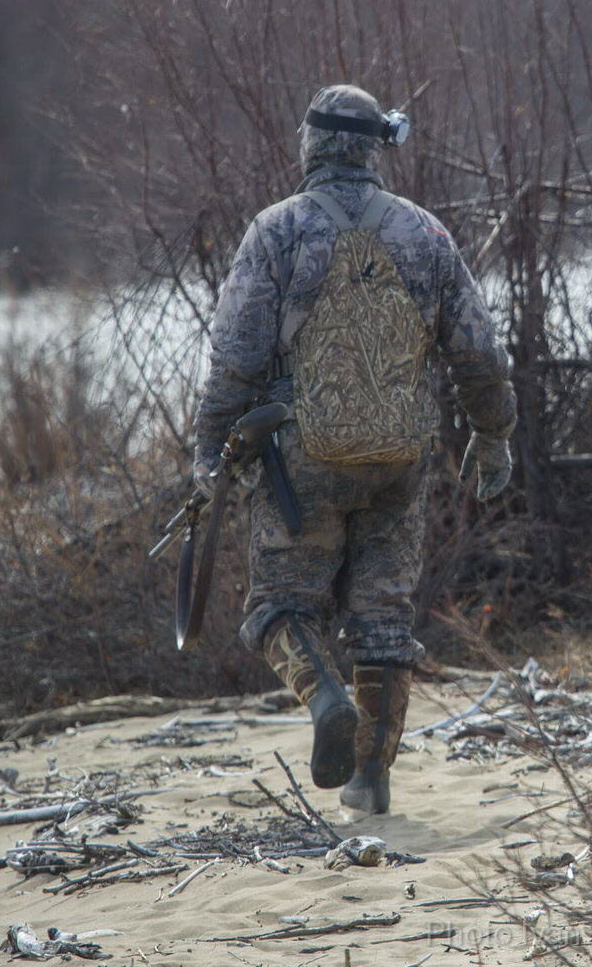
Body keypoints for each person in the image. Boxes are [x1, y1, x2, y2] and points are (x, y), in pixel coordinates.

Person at [192, 84, 516, 814]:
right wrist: (493, 435)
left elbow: (236, 357)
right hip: (399, 462)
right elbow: (479, 354)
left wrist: (210, 444)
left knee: (278, 606)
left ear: (310, 145)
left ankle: (326, 700)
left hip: (301, 465)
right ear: (375, 150)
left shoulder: (276, 230)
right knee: (383, 619)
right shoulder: (426, 234)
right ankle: (370, 781)